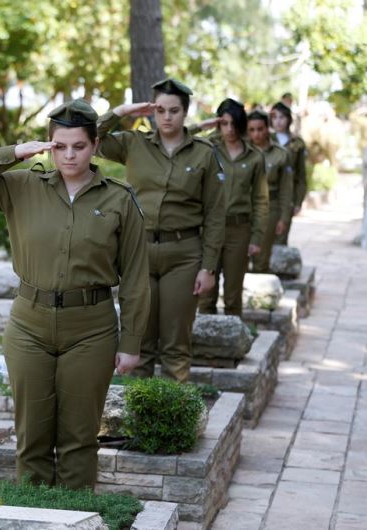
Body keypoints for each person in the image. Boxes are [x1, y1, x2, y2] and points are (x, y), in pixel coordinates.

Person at [0, 99, 150, 489]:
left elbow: (136, 277)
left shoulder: (119, 199)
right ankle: (34, 513)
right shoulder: (23, 186)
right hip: (29, 324)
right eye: (60, 146)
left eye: (79, 145)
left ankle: (76, 515)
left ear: (95, 145)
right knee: (32, 438)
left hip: (91, 328)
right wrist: (14, 153)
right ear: (48, 145)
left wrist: (131, 342)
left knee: (79, 438)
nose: (70, 154)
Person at [96, 78, 225, 382]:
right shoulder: (133, 144)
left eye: (174, 111)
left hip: (183, 254)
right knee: (137, 343)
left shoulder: (204, 153)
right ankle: (140, 418)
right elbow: (90, 136)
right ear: (152, 111)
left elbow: (216, 215)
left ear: (185, 113)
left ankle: (171, 423)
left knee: (175, 345)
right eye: (161, 110)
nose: (167, 117)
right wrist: (122, 110)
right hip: (138, 253)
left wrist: (209, 268)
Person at [190, 99, 268, 316]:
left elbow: (261, 200)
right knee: (205, 292)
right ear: (218, 123)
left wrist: (256, 237)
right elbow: (181, 139)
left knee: (233, 294)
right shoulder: (208, 148)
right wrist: (203, 125)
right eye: (224, 123)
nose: (229, 130)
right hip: (209, 229)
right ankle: (206, 347)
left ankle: (233, 345)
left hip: (238, 230)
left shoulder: (254, 156)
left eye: (234, 124)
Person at [246, 110, 294, 272]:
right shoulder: (241, 151)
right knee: (239, 260)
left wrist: (284, 218)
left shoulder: (281, 154)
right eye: (251, 130)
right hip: (244, 209)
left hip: (269, 210)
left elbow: (286, 190)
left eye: (260, 129)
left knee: (261, 258)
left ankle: (260, 296)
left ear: (268, 128)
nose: (256, 134)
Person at [270, 101, 308, 245]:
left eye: (282, 117)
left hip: (287, 196)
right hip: (266, 195)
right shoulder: (265, 139)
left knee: (281, 235)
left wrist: (298, 201)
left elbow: (301, 175)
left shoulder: (297, 143)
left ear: (288, 119)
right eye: (275, 117)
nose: (278, 121)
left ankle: (279, 266)